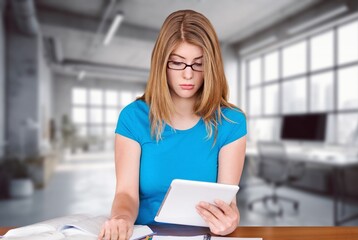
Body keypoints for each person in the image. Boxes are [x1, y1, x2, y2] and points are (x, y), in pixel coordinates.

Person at [98, 9, 247, 240]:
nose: (188, 75)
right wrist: (121, 218)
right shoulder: (133, 117)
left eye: (199, 64)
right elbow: (126, 194)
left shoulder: (231, 122)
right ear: (161, 64)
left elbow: (228, 203)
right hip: (145, 235)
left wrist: (230, 220)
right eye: (177, 63)